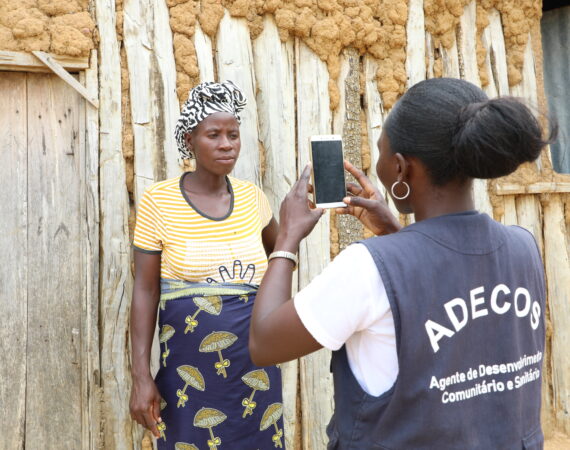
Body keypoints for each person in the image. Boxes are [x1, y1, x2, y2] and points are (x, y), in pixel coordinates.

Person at [249, 78, 552, 449]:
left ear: (400, 169)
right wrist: (397, 234)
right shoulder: (523, 246)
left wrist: (287, 238)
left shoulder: (368, 267)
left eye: (380, 152)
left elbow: (264, 343)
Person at [129, 80, 285, 450]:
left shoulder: (253, 199)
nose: (227, 143)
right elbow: (145, 290)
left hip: (256, 365)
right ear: (190, 140)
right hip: (188, 375)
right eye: (213, 134)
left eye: (233, 134)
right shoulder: (159, 201)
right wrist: (140, 375)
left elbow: (282, 258)